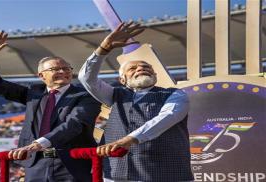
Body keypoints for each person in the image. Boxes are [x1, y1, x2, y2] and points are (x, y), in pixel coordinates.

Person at [0, 31, 101, 182]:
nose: (62, 71)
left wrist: (38, 144)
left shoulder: (86, 96)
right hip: (36, 165)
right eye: (55, 69)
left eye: (67, 68)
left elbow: (74, 124)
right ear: (41, 76)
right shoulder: (34, 93)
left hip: (72, 165)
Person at [78, 21, 193, 182]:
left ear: (155, 75)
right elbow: (86, 78)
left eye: (146, 67)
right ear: (122, 79)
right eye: (133, 68)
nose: (141, 68)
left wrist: (129, 140)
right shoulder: (114, 95)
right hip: (116, 173)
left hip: (165, 174)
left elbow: (166, 118)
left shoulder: (175, 95)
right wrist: (104, 48)